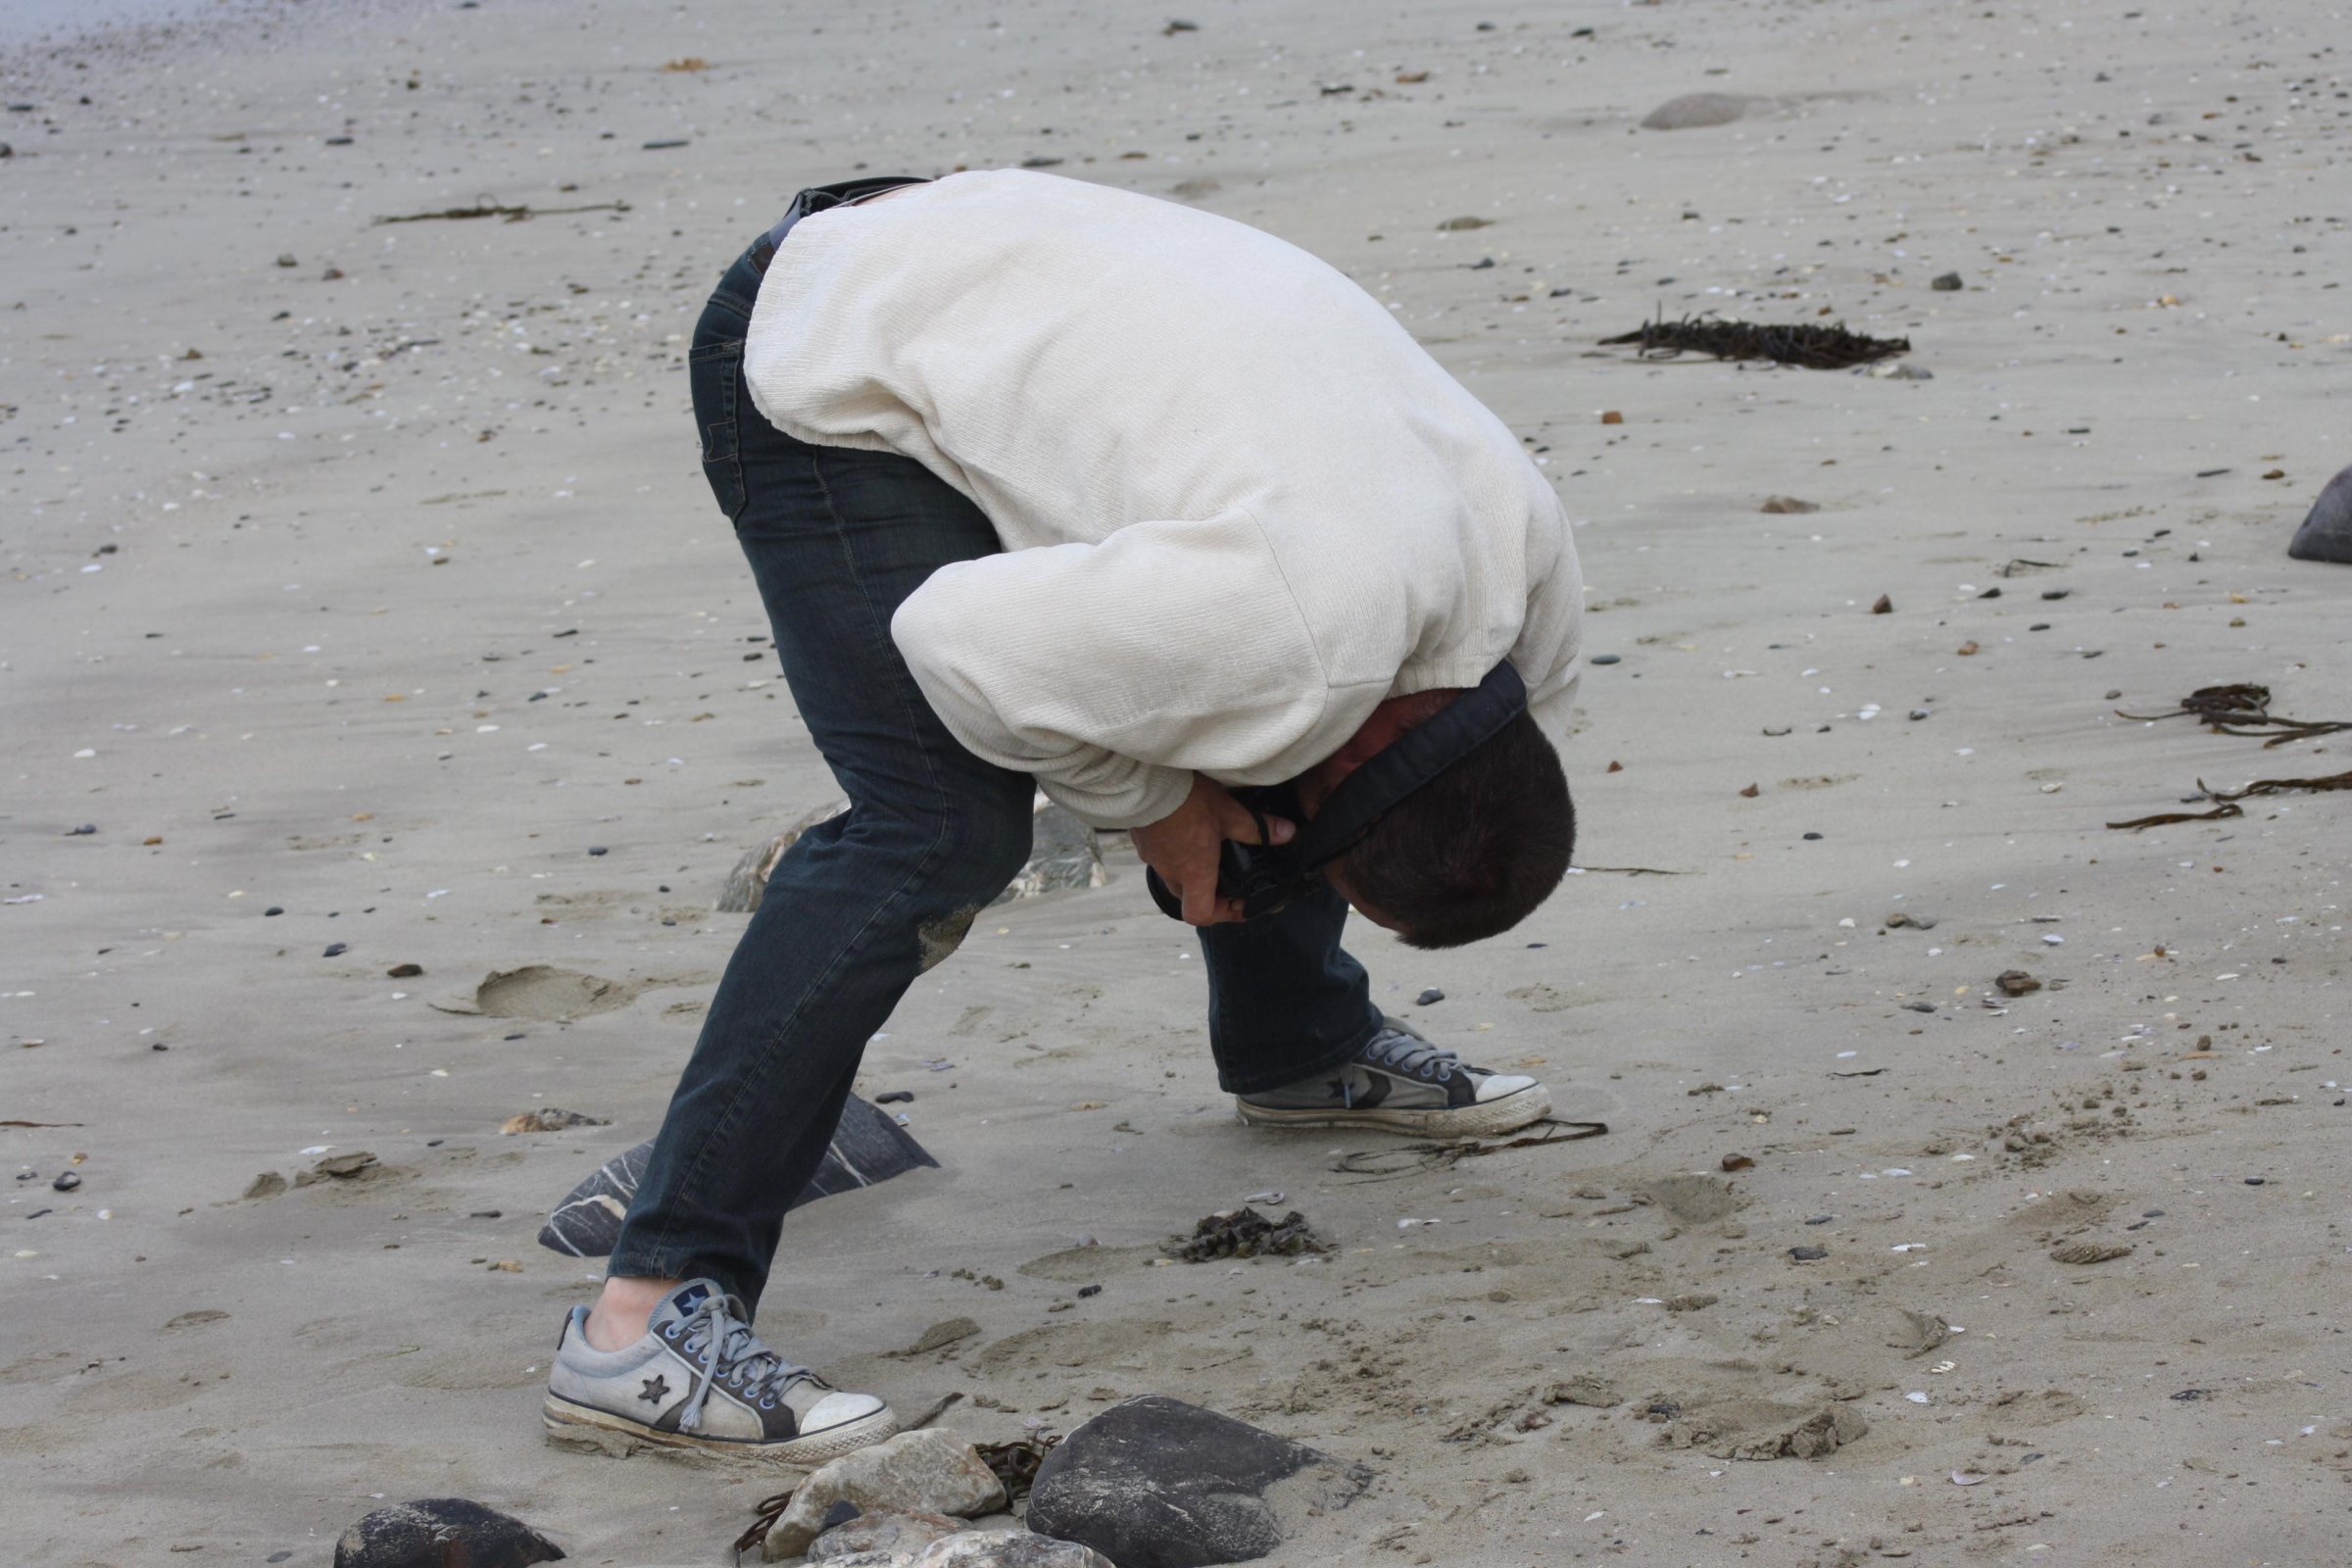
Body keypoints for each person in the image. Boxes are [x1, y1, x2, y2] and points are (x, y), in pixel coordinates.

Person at [540, 171, 1585, 1464]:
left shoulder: (1526, 592)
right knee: (936, 832)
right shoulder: (1286, 627)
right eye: (1316, 859)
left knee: (1261, 717)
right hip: (828, 340)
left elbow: (1336, 730)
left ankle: (1297, 1045)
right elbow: (955, 642)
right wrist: (1160, 804)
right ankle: (640, 1325)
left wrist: (1233, 797)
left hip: (1010, 274)